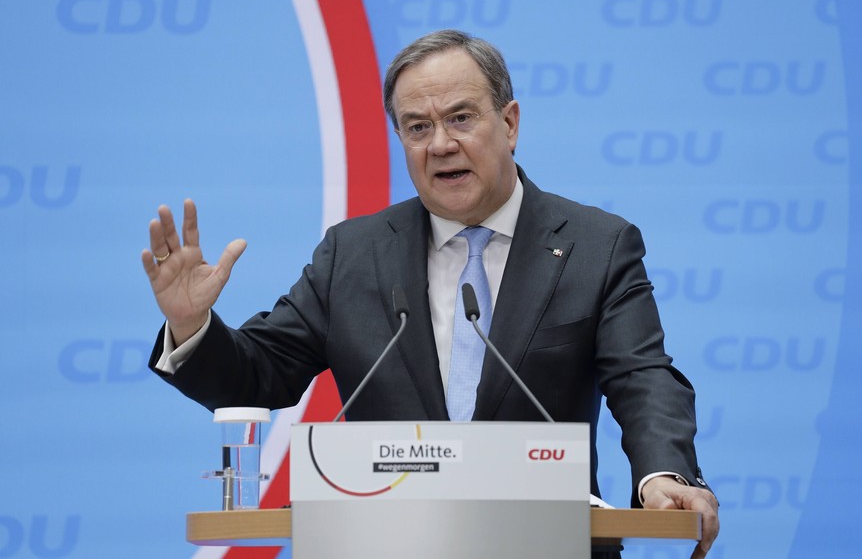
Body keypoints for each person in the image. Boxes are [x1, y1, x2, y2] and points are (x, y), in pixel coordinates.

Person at [142, 29, 718, 557]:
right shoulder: (354, 253)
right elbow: (257, 374)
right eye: (417, 127)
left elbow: (642, 375)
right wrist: (193, 325)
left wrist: (663, 474)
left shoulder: (597, 245)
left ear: (510, 123)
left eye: (461, 118)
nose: (440, 144)